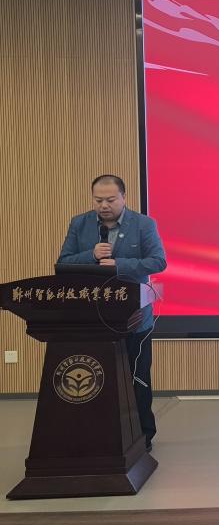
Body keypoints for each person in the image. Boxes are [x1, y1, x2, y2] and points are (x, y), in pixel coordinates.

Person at [57, 175, 167, 451]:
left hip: (134, 317)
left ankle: (143, 435)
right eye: (98, 200)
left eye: (110, 200)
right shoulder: (79, 223)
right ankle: (98, 434)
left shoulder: (143, 224)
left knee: (136, 378)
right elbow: (63, 263)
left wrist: (120, 264)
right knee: (99, 378)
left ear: (124, 198)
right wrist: (91, 255)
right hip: (92, 318)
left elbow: (158, 262)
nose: (104, 205)